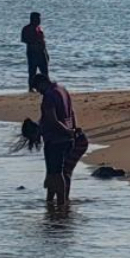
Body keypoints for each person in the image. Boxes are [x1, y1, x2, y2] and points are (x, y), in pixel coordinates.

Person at [32, 73, 77, 206]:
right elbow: (71, 112)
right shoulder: (62, 90)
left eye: (37, 88)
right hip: (67, 138)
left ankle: (61, 205)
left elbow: (52, 120)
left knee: (56, 173)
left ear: (42, 83)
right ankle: (51, 202)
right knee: (55, 172)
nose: (38, 92)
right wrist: (72, 130)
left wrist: (67, 131)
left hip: (55, 139)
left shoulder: (48, 97)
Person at [21, 12, 49, 92]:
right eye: (38, 18)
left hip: (42, 52)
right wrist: (34, 41)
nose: (39, 20)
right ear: (33, 19)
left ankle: (46, 86)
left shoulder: (39, 28)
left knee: (44, 71)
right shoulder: (26, 28)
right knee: (32, 72)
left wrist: (46, 53)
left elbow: (43, 41)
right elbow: (24, 39)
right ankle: (31, 87)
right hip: (32, 53)